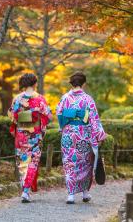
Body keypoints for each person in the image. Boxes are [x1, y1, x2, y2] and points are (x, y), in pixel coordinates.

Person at [56, 72, 106, 204]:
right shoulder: (88, 99)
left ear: (71, 83)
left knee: (69, 163)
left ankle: (71, 195)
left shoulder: (64, 98)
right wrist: (99, 135)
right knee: (85, 163)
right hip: (83, 134)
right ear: (84, 83)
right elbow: (94, 118)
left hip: (68, 135)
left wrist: (63, 128)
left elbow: (59, 114)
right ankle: (85, 193)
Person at [8, 73, 52, 203]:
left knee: (22, 161)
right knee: (33, 161)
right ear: (34, 84)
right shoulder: (40, 99)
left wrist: (21, 119)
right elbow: (48, 116)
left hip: (21, 133)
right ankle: (26, 191)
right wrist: (38, 120)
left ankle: (24, 189)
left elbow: (12, 115)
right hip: (35, 134)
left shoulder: (17, 98)